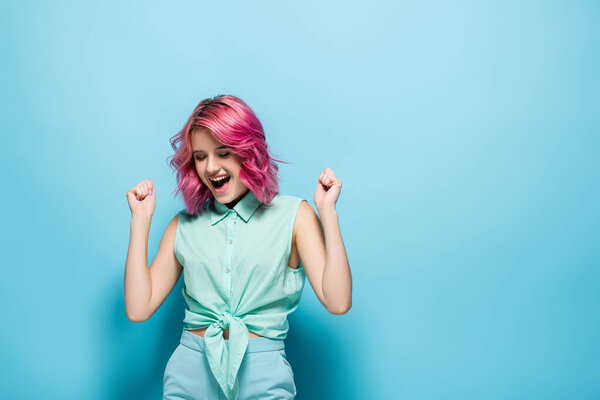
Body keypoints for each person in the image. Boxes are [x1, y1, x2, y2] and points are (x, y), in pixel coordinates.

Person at [124, 95, 352, 400]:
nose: (211, 167)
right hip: (190, 372)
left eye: (223, 152)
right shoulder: (184, 225)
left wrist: (328, 212)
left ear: (248, 152)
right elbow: (139, 308)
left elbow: (337, 303)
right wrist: (140, 221)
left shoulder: (294, 216)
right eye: (201, 156)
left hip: (262, 375)